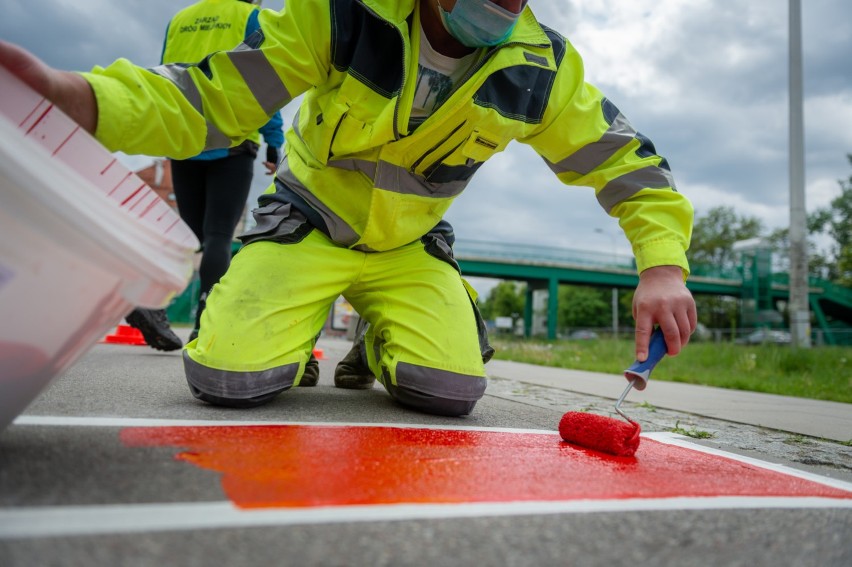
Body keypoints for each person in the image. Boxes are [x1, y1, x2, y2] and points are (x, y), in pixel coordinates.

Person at [0, 0, 697, 416]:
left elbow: (624, 159)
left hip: (409, 250)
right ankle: (278, 313)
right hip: (310, 223)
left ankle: (379, 336)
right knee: (226, 377)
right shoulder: (340, 12)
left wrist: (662, 264)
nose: (508, 5)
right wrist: (80, 98)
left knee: (449, 390)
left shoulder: (540, 66)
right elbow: (210, 98)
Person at [124, 0, 285, 354]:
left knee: (190, 234)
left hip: (182, 137)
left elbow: (166, 72)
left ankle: (149, 298)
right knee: (217, 235)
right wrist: (275, 143)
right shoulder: (251, 17)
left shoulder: (179, 19)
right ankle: (204, 324)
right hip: (231, 137)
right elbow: (265, 81)